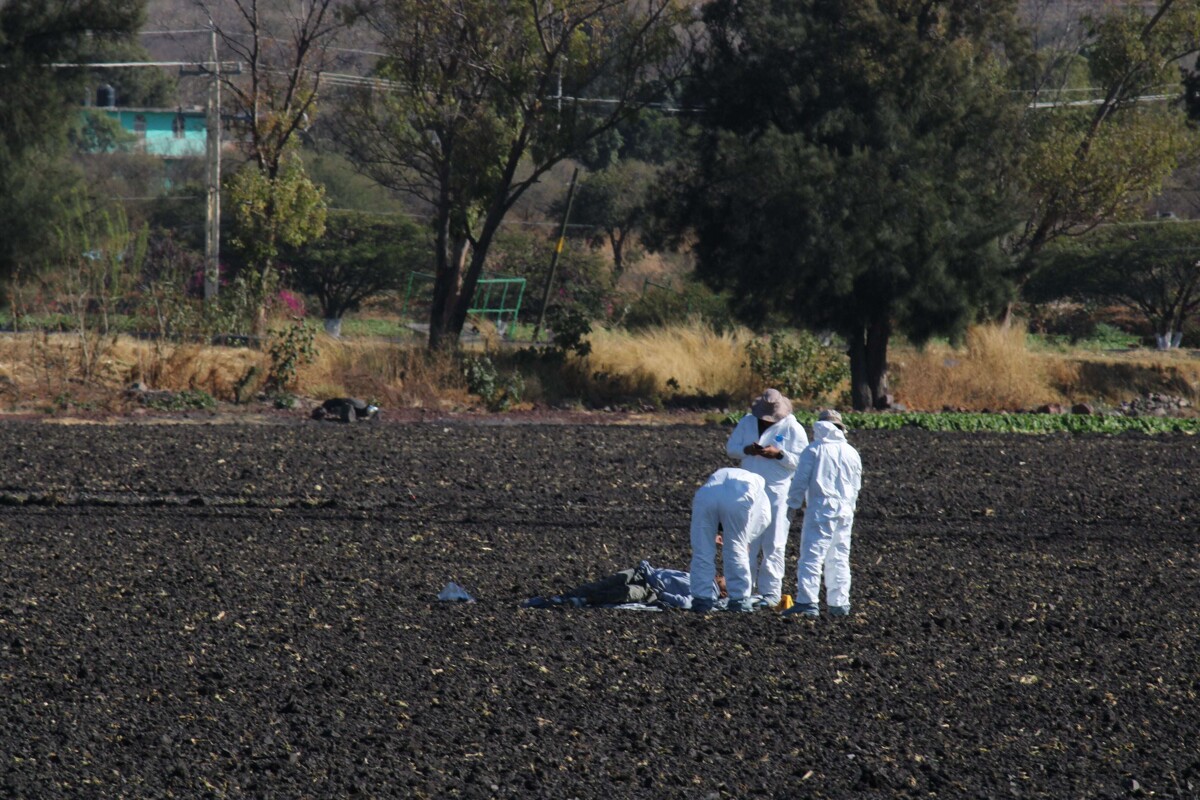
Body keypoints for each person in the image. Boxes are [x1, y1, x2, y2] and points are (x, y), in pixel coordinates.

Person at [725, 388, 808, 606]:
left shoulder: (792, 427)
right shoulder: (747, 422)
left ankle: (770, 592)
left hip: (777, 491)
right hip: (748, 489)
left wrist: (779, 454)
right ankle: (744, 590)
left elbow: (802, 460)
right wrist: (747, 450)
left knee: (774, 541)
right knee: (747, 541)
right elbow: (731, 449)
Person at [783, 409, 862, 619]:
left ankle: (807, 601)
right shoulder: (852, 452)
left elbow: (800, 480)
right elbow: (856, 485)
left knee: (812, 555)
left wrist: (792, 505)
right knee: (839, 557)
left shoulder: (813, 450)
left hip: (821, 508)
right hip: (845, 510)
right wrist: (850, 506)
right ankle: (839, 603)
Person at [690, 467, 771, 613]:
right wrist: (746, 539)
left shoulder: (723, 476)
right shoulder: (758, 492)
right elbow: (764, 518)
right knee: (736, 548)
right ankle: (739, 600)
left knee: (702, 550)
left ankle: (701, 600)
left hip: (705, 496)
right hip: (737, 499)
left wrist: (713, 532)